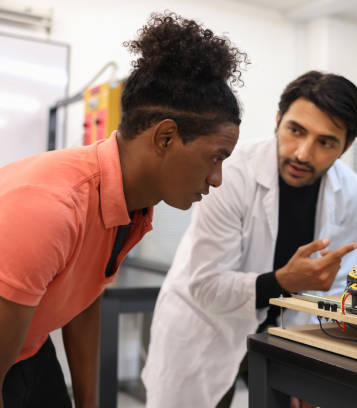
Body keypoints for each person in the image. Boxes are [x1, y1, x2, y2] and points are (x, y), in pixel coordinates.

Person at [0, 12, 247, 408]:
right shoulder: (51, 208)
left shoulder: (131, 204)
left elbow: (84, 298)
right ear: (166, 137)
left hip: (28, 349)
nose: (216, 178)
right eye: (215, 157)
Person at [142, 70, 357, 407]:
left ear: (346, 146)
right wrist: (282, 281)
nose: (303, 153)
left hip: (284, 338)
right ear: (277, 121)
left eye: (325, 142)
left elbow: (335, 288)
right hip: (206, 327)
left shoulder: (350, 192)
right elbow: (206, 285)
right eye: (295, 131)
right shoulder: (230, 173)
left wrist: (315, 362)